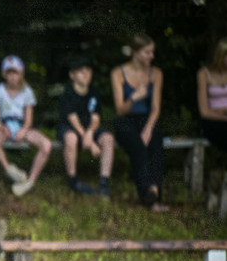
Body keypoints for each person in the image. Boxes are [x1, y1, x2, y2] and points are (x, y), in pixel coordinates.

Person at [111, 33, 167, 211]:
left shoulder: (156, 73)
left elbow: (156, 107)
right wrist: (135, 97)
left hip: (147, 119)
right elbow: (120, 109)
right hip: (125, 120)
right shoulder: (118, 73)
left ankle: (154, 192)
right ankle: (150, 194)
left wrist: (148, 129)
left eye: (152, 52)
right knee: (138, 147)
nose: (152, 56)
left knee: (156, 143)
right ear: (135, 53)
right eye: (147, 52)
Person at [0, 55, 52, 197]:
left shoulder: (27, 92)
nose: (13, 77)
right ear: (4, 74)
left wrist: (23, 130)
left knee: (46, 145)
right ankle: (10, 170)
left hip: (22, 127)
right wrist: (3, 128)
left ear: (21, 74)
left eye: (15, 73)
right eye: (9, 73)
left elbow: (29, 119)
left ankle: (30, 181)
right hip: (3, 127)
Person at [57, 55, 114, 198]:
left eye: (88, 70)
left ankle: (104, 183)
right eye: (81, 71)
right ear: (72, 75)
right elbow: (73, 120)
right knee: (71, 139)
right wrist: (90, 142)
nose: (86, 74)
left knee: (108, 139)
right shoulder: (68, 93)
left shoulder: (94, 92)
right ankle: (73, 181)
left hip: (89, 129)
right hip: (71, 128)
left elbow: (96, 118)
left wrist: (90, 134)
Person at [197, 38, 227, 190]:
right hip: (213, 121)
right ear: (222, 57)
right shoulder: (204, 74)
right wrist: (226, 115)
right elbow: (205, 111)